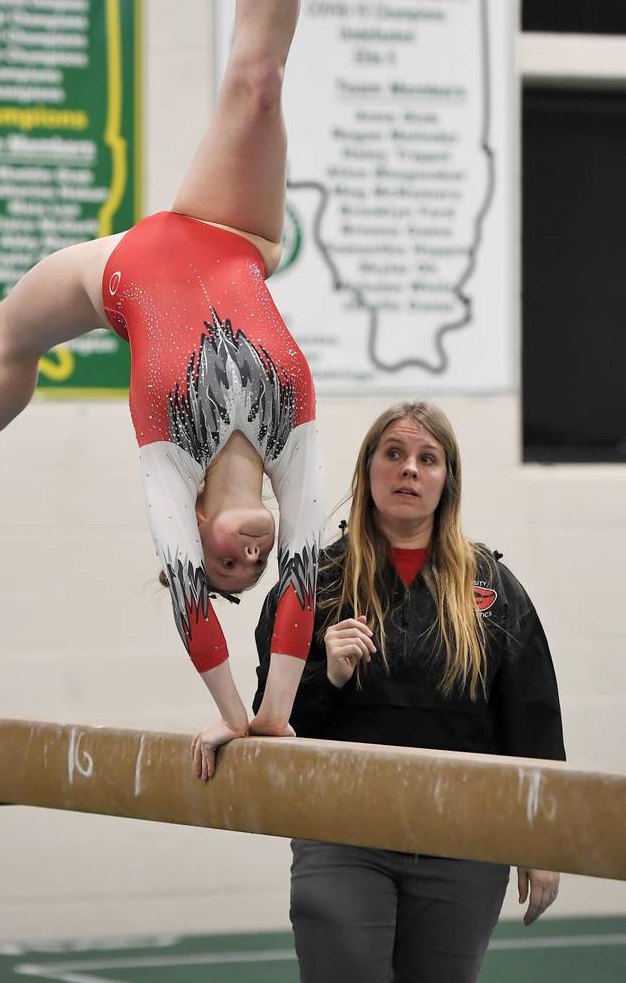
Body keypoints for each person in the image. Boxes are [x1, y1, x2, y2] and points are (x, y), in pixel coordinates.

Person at [0, 0, 325, 782]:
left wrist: (228, 713)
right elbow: (306, 583)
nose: (252, 555)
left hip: (114, 276)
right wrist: (274, 714)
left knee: (12, 342)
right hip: (228, 229)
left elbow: (187, 603)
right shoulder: (295, 441)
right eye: (250, 568)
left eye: (228, 563)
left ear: (194, 536)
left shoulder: (166, 468)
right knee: (258, 80)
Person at [254, 400, 565, 983]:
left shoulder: (493, 591)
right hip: (344, 835)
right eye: (393, 454)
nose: (409, 470)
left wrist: (542, 837)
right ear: (367, 469)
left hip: (465, 837)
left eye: (428, 459)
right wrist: (329, 675)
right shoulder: (313, 586)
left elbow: (531, 716)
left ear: (448, 480)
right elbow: (269, 724)